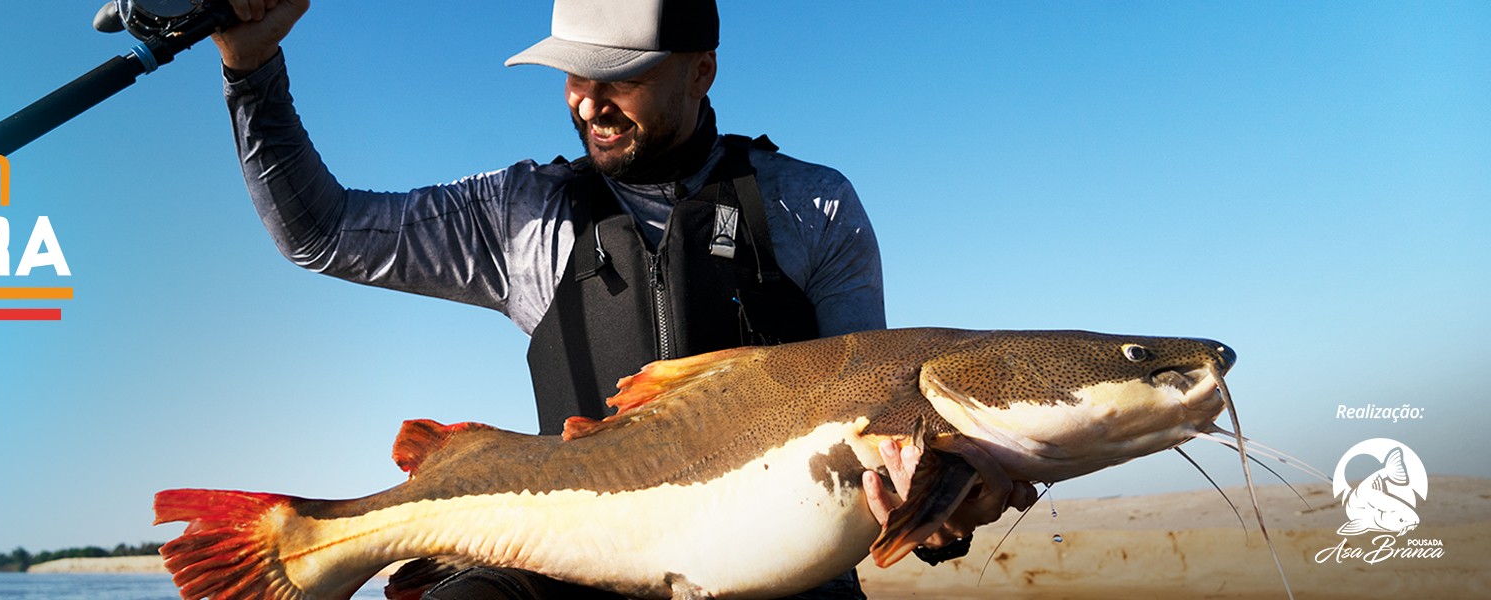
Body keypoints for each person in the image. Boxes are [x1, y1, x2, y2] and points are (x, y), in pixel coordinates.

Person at [208, 1, 1036, 598]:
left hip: (781, 578)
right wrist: (250, 69)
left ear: (702, 68)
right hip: (568, 571)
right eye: (574, 70)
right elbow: (320, 231)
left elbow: (887, 424)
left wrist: (939, 510)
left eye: (621, 75)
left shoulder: (812, 208)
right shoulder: (517, 214)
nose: (586, 100)